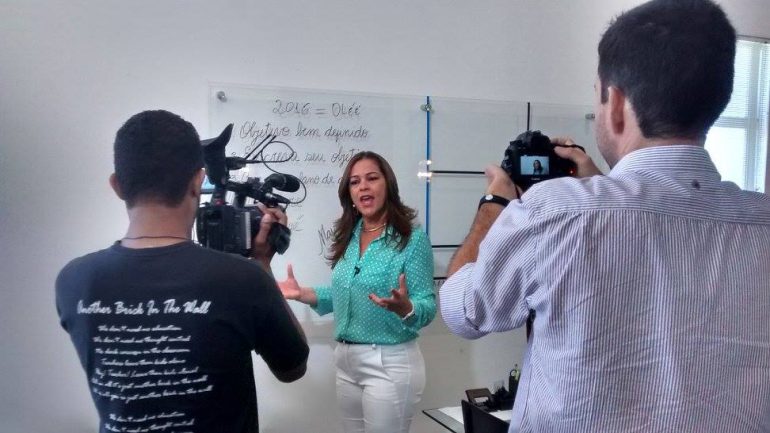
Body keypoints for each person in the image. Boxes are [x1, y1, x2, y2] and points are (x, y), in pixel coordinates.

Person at [441, 0, 770, 431]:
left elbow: (463, 311)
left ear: (614, 103)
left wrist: (494, 205)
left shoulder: (554, 211)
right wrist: (600, 186)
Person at [55, 110, 309, 433]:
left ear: (117, 186)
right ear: (197, 182)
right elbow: (292, 368)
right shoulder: (244, 279)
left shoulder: (73, 281)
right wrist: (262, 264)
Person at [278, 151, 435, 433]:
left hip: (388, 362)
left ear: (388, 185)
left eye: (372, 178)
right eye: (355, 182)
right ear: (349, 193)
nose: (363, 186)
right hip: (346, 361)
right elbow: (346, 293)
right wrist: (303, 293)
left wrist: (407, 308)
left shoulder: (411, 240)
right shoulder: (349, 236)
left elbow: (427, 305)